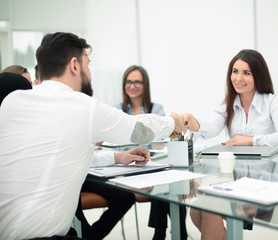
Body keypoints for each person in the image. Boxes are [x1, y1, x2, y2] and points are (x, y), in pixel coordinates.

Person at [0, 32, 186, 240]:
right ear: (74, 65)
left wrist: (118, 157)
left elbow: (64, 153)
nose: (90, 72)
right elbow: (137, 129)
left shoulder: (11, 102)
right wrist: (176, 121)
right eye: (87, 64)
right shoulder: (82, 107)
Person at [183, 49, 278, 240]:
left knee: (210, 207)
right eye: (235, 71)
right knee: (196, 210)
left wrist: (251, 140)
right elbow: (210, 128)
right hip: (238, 180)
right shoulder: (230, 103)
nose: (238, 78)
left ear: (258, 76)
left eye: (246, 73)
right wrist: (193, 122)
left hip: (268, 182)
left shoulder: (272, 102)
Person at [117, 65, 187, 240]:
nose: (132, 86)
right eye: (128, 81)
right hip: (128, 168)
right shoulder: (117, 110)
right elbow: (118, 145)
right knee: (163, 183)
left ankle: (162, 232)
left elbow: (162, 139)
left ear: (145, 85)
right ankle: (175, 232)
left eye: (137, 82)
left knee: (167, 181)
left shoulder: (156, 109)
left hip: (152, 164)